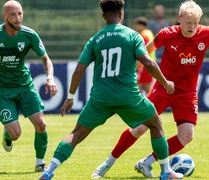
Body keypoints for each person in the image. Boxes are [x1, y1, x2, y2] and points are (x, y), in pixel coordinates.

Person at [92, 0, 209, 178]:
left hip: (187, 93)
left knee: (187, 136)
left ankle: (146, 163)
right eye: (188, 23)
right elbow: (145, 52)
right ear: (179, 19)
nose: (192, 27)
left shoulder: (207, 33)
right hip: (163, 88)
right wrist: (132, 67)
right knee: (140, 128)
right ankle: (107, 163)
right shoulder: (167, 34)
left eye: (195, 23)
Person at [39, 0, 183, 180]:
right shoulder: (133, 36)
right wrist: (165, 83)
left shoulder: (95, 39)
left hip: (100, 99)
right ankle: (166, 172)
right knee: (156, 124)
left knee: (75, 134)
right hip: (128, 97)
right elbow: (147, 62)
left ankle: (49, 171)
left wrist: (70, 97)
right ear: (121, 13)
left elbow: (79, 70)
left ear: (103, 16)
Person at [0, 0, 58, 172]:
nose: (18, 18)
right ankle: (7, 133)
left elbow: (46, 59)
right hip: (1, 90)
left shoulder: (29, 35)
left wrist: (50, 78)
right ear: (4, 17)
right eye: (13, 14)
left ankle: (40, 163)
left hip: (24, 86)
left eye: (20, 13)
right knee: (16, 134)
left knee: (41, 124)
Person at [134, 16, 156, 95]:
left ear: (141, 25)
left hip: (145, 65)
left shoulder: (143, 35)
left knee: (141, 88)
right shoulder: (149, 33)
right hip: (150, 63)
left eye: (136, 25)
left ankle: (150, 105)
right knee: (145, 88)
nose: (136, 27)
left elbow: (143, 52)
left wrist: (138, 66)